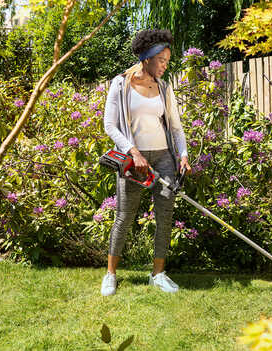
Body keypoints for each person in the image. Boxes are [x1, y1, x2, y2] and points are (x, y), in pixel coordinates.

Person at [101, 29, 191, 296]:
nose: (165, 65)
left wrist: (183, 154)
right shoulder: (121, 84)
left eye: (167, 61)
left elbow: (175, 127)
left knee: (165, 217)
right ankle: (110, 275)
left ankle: (158, 274)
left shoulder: (164, 88)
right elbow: (109, 125)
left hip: (163, 158)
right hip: (134, 162)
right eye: (161, 60)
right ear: (147, 58)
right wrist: (133, 152)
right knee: (125, 217)